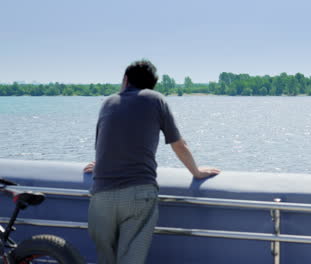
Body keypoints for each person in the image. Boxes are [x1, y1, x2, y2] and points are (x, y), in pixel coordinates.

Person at [83, 59, 220, 264]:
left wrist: (100, 165)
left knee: (105, 260)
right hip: (138, 194)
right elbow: (178, 143)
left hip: (101, 195)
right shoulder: (155, 99)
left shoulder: (108, 102)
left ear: (126, 80)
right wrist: (196, 172)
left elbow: (104, 140)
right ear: (151, 85)